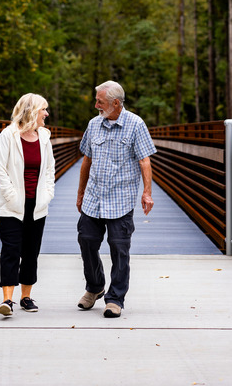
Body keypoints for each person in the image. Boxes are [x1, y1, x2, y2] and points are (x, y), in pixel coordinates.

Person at [76, 80, 157, 318]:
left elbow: (145, 160)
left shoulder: (135, 124)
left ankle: (115, 298)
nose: (95, 105)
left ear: (115, 103)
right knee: (86, 241)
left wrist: (147, 192)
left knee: (119, 248)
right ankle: (95, 287)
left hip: (120, 199)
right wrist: (80, 193)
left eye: (99, 102)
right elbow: (86, 160)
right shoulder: (93, 124)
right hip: (93, 197)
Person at [0, 93, 55, 317]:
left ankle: (26, 297)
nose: (46, 114)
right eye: (43, 110)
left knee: (31, 252)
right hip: (11, 206)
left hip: (37, 205)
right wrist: (12, 196)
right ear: (31, 111)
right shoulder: (8, 136)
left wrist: (47, 194)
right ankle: (7, 300)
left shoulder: (44, 137)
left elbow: (49, 170)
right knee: (11, 250)